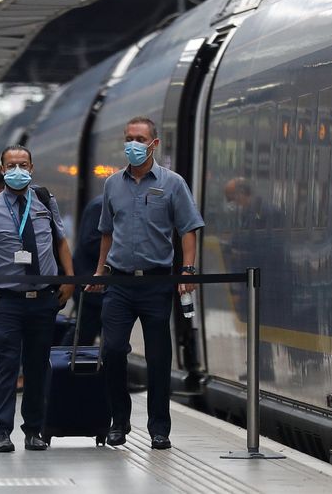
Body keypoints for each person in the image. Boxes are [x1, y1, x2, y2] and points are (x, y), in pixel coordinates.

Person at [86, 117, 204, 450]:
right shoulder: (112, 184)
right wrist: (99, 272)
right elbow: (106, 233)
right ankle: (118, 422)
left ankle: (159, 428)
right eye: (128, 138)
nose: (132, 144)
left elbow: (188, 229)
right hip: (120, 283)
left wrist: (189, 270)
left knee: (158, 356)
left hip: (156, 283)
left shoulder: (173, 184)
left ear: (154, 143)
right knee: (111, 350)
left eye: (139, 138)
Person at [0, 144, 74, 453]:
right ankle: (2, 431)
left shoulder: (44, 201)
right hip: (7, 301)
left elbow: (61, 241)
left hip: (43, 299)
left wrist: (69, 280)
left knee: (38, 367)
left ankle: (34, 430)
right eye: (11, 165)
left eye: (23, 164)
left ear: (31, 167)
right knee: (7, 367)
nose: (17, 170)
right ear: (2, 170)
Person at [61, 194, 104, 346]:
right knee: (84, 332)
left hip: (96, 282)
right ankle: (59, 367)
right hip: (89, 281)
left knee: (90, 332)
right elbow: (90, 242)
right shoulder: (100, 206)